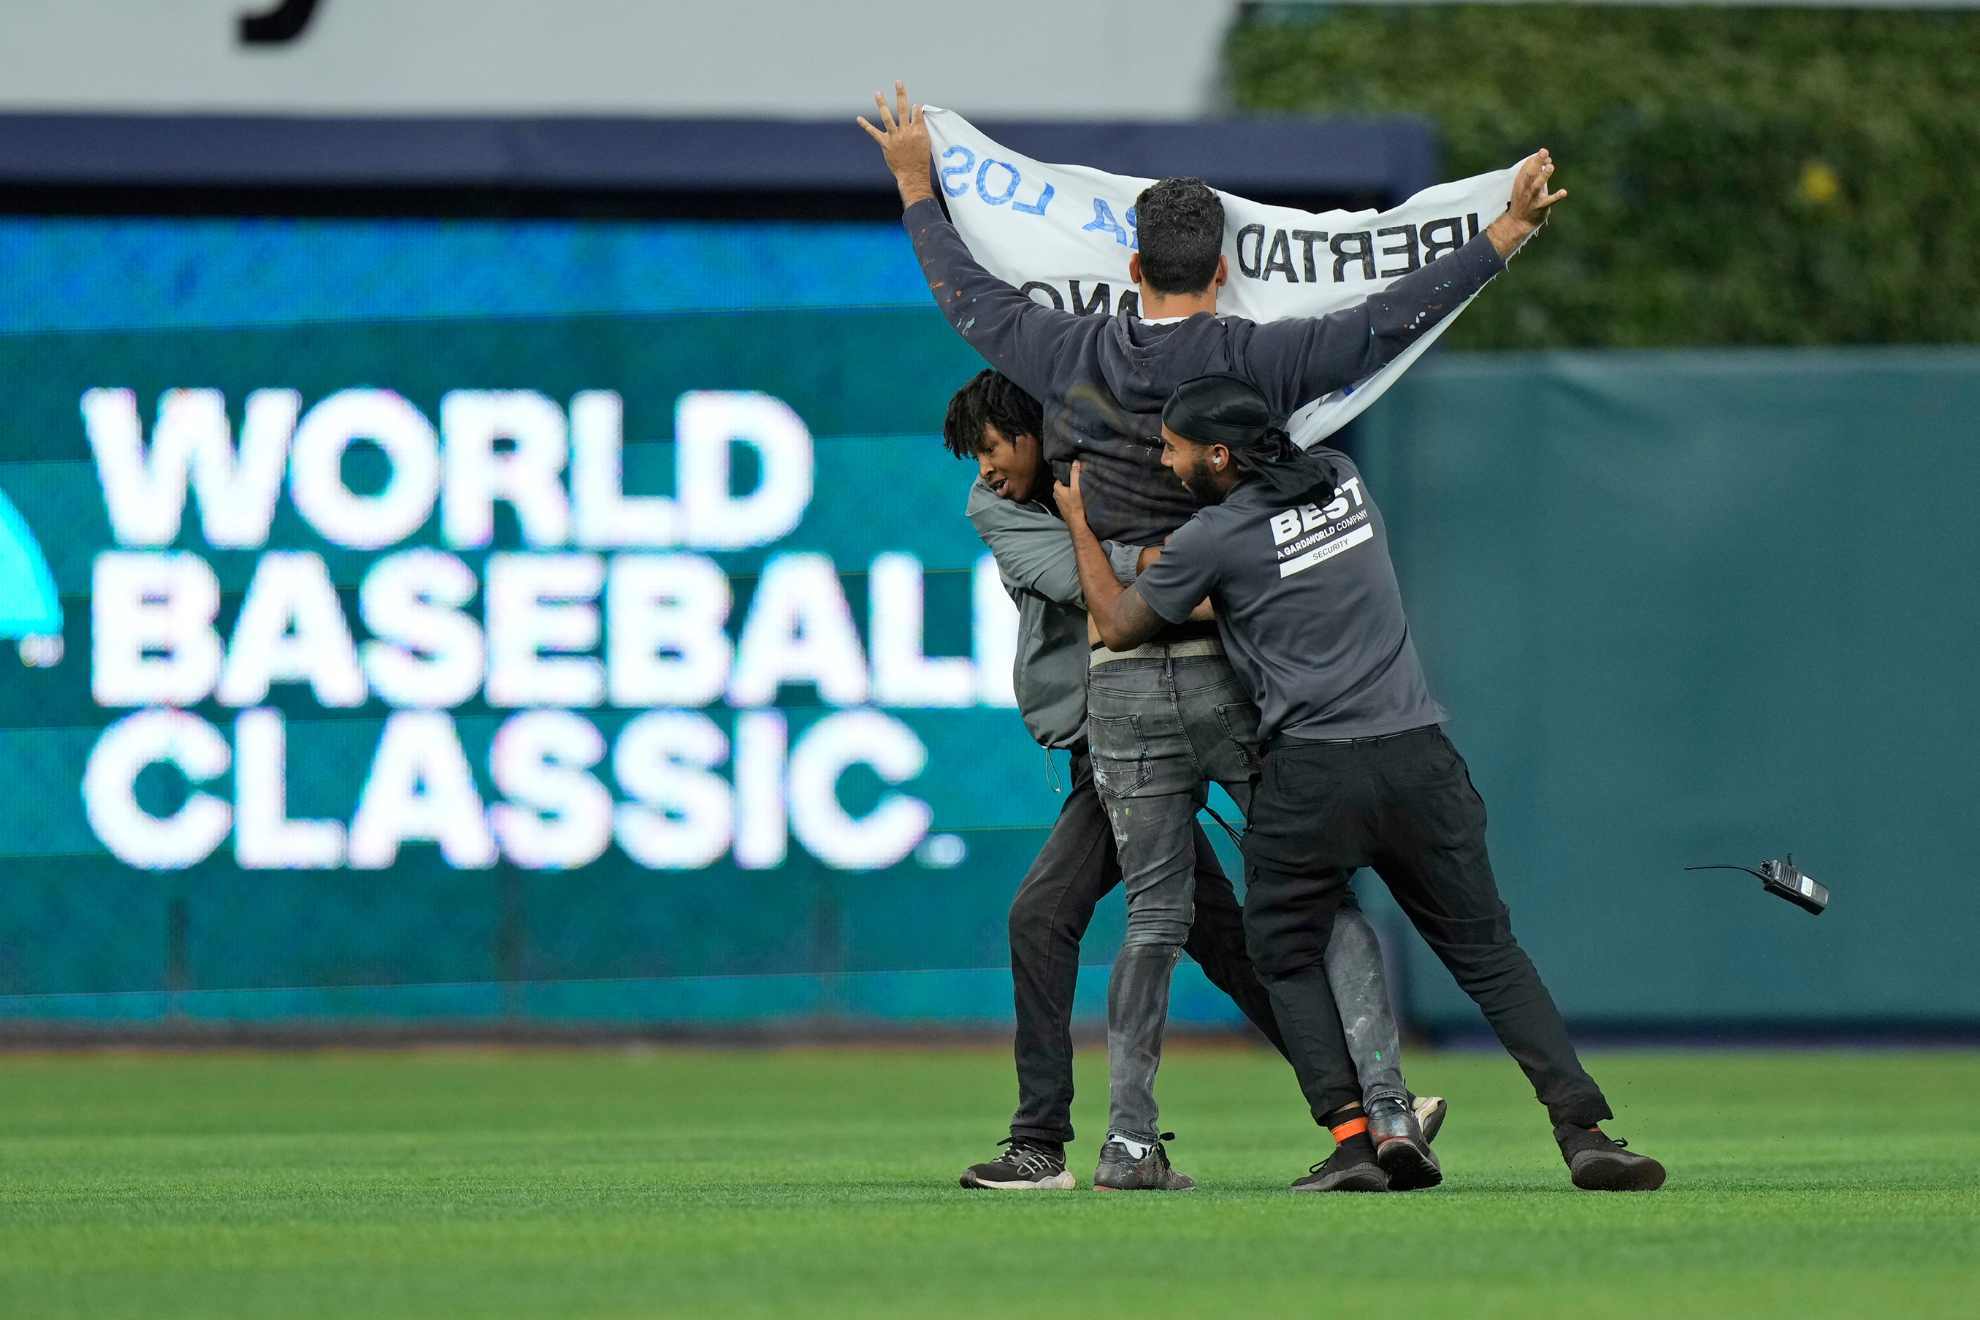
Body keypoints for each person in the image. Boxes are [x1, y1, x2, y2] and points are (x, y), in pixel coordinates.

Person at [861, 81, 1542, 1188]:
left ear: (1132, 269)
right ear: (1220, 269)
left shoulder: (1068, 352)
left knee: (1158, 922)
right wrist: (1499, 238)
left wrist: (914, 190)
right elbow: (1383, 319)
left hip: (1127, 680)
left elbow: (970, 304)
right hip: (1245, 681)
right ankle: (1383, 1109)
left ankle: (1127, 1141)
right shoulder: (1261, 359)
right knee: (1312, 903)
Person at [1056, 373, 1667, 1193]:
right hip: (1418, 758)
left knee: (1282, 949)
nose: (1166, 463)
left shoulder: (1213, 537)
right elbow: (1282, 576)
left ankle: (1353, 1140)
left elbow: (1119, 624)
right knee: (1488, 955)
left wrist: (1081, 530)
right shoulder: (1343, 479)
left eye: (1174, 448)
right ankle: (1586, 1132)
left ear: (1220, 455)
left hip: (1312, 772)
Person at [946, 368, 1442, 1194]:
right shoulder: (993, 506)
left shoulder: (1121, 467)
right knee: (1210, 934)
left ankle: (1046, 1146)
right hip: (1103, 731)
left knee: (1080, 921)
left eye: (993, 448)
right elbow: (1088, 584)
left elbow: (1178, 575)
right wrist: (1192, 570)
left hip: (1184, 711)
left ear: (1033, 430)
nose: (986, 471)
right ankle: (1371, 1108)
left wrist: (1186, 572)